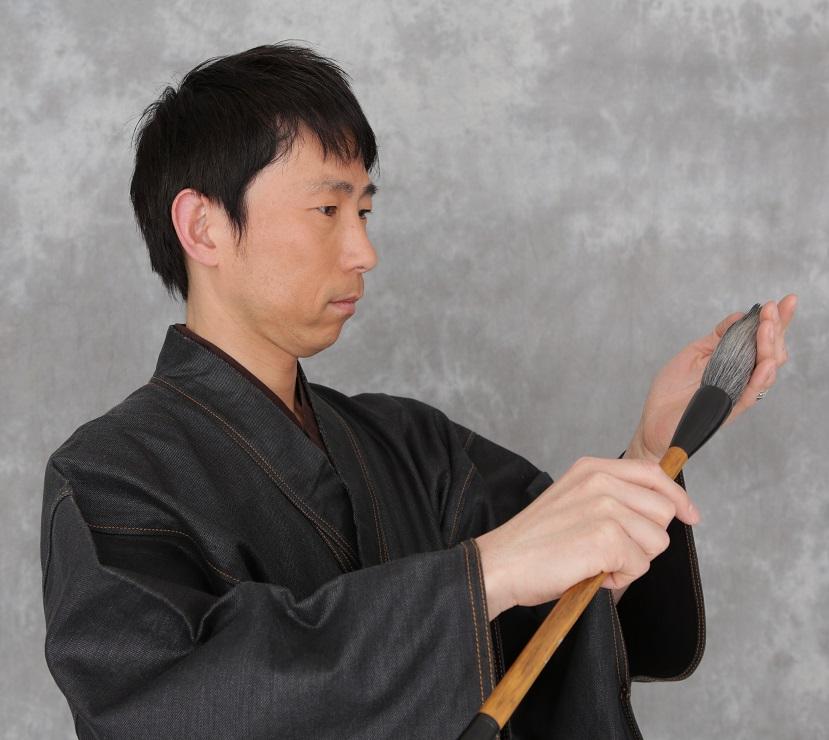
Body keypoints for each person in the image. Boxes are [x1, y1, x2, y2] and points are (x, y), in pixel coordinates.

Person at [39, 42, 797, 739]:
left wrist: (652, 449)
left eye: (364, 211)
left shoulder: (414, 448)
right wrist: (483, 576)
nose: (364, 250)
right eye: (328, 209)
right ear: (203, 227)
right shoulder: (110, 477)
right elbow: (171, 708)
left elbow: (568, 614)